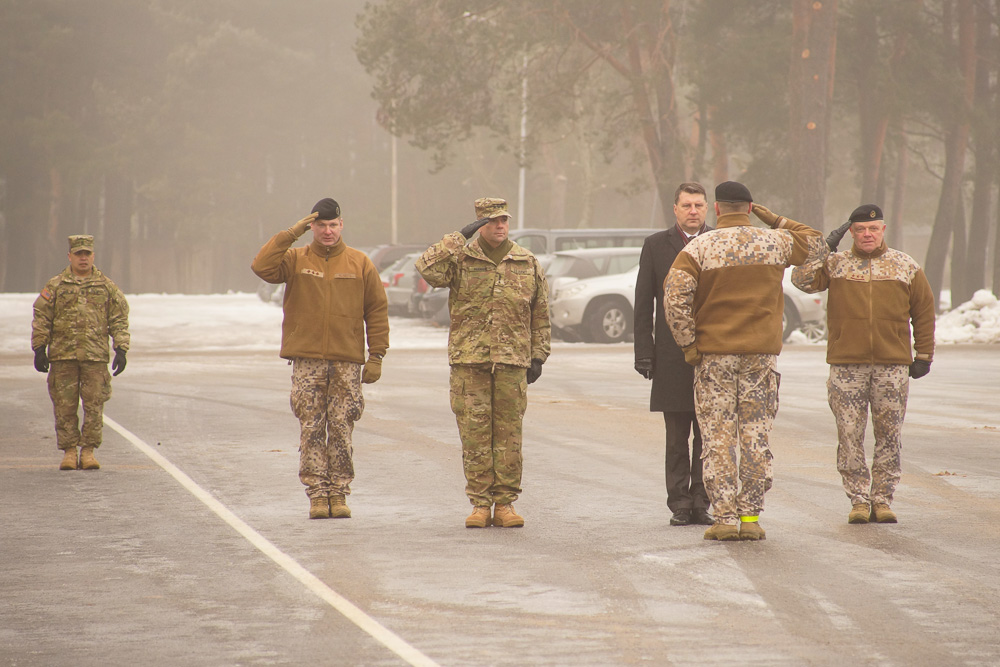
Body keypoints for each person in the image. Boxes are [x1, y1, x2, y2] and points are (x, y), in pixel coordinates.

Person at [664, 181, 825, 541]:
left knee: (718, 439)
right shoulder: (776, 242)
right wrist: (778, 219)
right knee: (755, 436)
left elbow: (674, 300)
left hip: (714, 358)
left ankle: (723, 518)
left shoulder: (700, 246)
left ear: (717, 209)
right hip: (760, 357)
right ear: (750, 208)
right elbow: (816, 243)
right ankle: (750, 518)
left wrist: (689, 344)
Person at [792, 204, 935, 525]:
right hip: (847, 366)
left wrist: (923, 355)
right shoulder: (836, 264)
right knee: (849, 434)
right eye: (860, 230)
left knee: (889, 435)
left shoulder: (905, 266)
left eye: (873, 229)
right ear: (851, 233)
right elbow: (801, 279)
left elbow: (924, 312)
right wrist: (825, 246)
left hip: (892, 367)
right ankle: (858, 499)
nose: (867, 235)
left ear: (883, 230)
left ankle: (882, 498)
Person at [416, 197, 550, 529]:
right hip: (469, 363)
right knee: (474, 435)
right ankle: (479, 504)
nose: (499, 226)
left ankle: (504, 504)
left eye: (503, 219)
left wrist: (538, 355)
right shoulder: (460, 258)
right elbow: (426, 269)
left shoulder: (526, 261)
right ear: (479, 225)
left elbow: (541, 313)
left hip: (511, 362)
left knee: (508, 436)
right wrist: (457, 239)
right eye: (491, 221)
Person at [251, 198, 389, 520]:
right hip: (307, 360)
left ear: (342, 225)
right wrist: (291, 233)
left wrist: (377, 355)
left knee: (341, 428)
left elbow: (377, 311)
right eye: (320, 226)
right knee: (312, 427)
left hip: (346, 361)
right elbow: (261, 266)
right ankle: (316, 495)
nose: (327, 232)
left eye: (333, 225)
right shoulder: (296, 259)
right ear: (312, 227)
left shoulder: (360, 263)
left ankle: (338, 493)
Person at [634, 182, 714, 527]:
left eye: (698, 205)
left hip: (714, 354)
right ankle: (680, 504)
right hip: (671, 355)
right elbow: (643, 302)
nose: (693, 210)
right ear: (675, 209)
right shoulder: (656, 245)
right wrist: (644, 353)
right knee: (677, 436)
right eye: (687, 205)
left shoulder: (718, 243)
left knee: (709, 436)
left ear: (708, 208)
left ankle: (702, 502)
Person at [31, 234, 130, 471]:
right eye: (79, 254)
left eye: (87, 254)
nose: (83, 258)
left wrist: (121, 348)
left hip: (94, 357)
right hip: (63, 356)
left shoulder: (106, 286)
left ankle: (88, 451)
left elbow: (119, 318)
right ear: (70, 256)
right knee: (64, 406)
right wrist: (39, 347)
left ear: (93, 256)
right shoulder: (55, 286)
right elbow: (42, 316)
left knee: (94, 406)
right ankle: (68, 451)